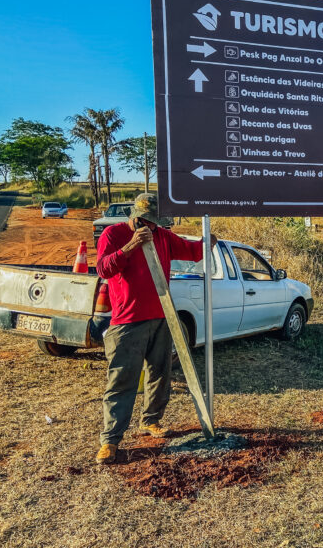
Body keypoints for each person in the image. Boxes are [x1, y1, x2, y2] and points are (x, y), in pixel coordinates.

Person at [94, 193, 217, 464]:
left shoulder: (163, 236)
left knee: (160, 375)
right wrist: (130, 247)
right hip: (127, 323)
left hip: (163, 318)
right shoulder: (114, 234)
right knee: (122, 381)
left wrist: (209, 242)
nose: (153, 228)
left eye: (156, 224)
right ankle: (110, 441)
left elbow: (191, 251)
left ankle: (150, 421)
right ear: (137, 218)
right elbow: (103, 269)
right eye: (150, 223)